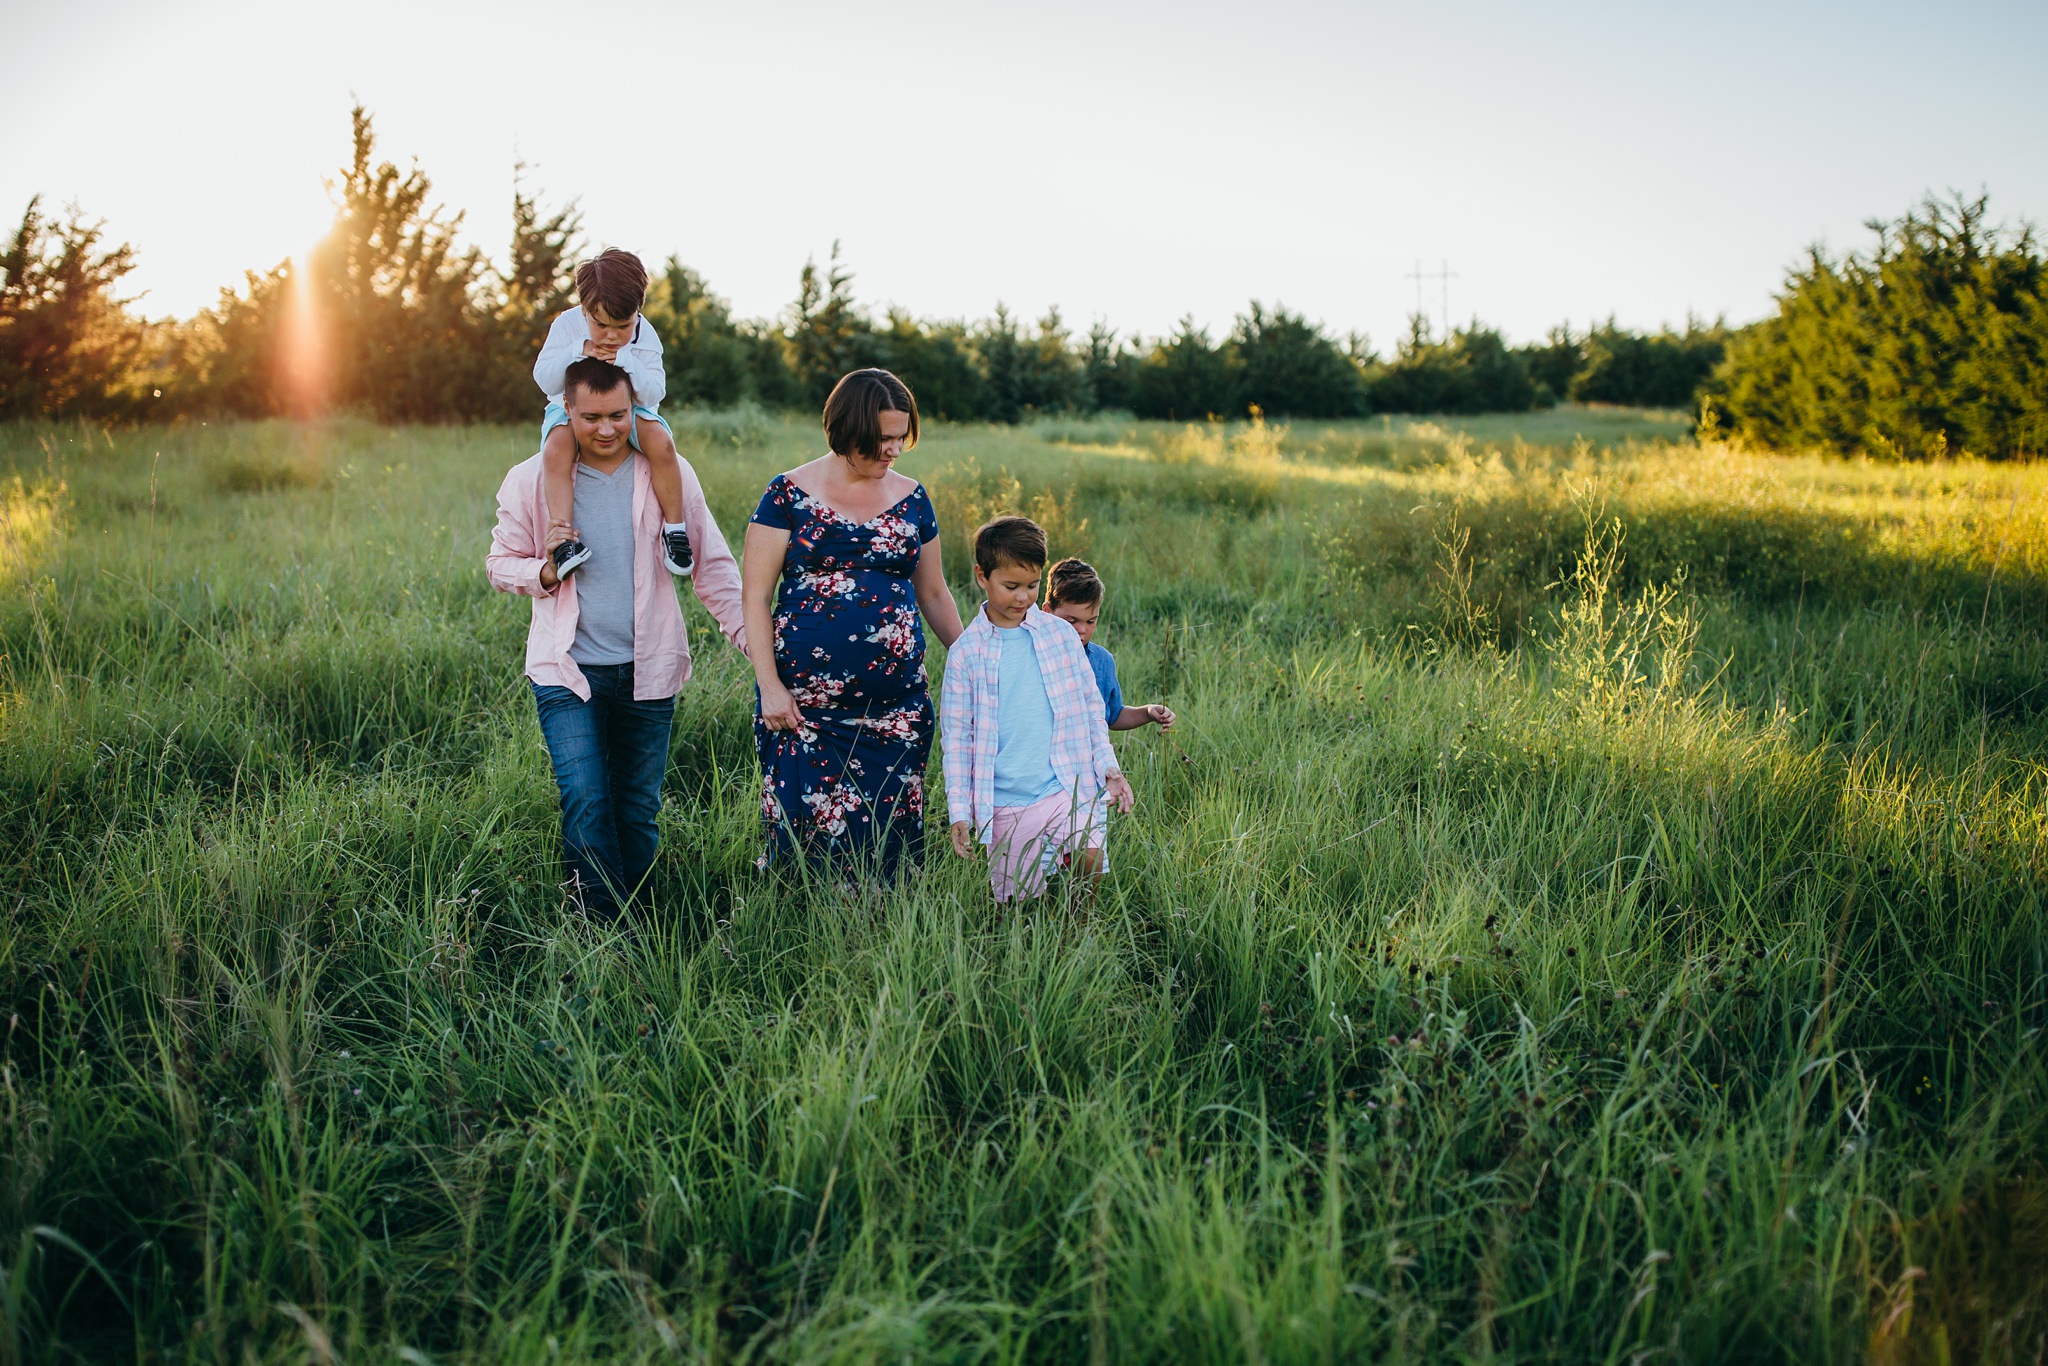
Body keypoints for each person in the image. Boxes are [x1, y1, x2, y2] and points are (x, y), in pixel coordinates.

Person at [486, 356, 747, 924]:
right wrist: (545, 573)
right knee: (585, 801)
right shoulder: (533, 479)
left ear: (637, 410)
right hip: (567, 671)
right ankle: (599, 934)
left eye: (618, 416)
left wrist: (759, 645)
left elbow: (714, 569)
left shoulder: (667, 472)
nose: (606, 430)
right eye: (591, 418)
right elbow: (499, 563)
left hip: (648, 670)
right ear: (566, 413)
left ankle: (641, 922)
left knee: (636, 809)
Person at [743, 368, 964, 881]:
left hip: (895, 709)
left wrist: (977, 655)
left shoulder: (913, 498)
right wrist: (769, 687)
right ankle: (803, 930)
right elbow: (754, 597)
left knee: (889, 848)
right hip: (801, 710)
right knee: (801, 841)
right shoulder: (787, 495)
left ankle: (885, 938)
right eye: (882, 439)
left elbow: (933, 592)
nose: (893, 451)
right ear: (847, 431)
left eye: (900, 438)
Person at [942, 517, 1135, 903]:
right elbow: (957, 739)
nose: (1022, 598)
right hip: (1007, 799)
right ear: (982, 577)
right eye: (1010, 586)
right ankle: (1023, 950)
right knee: (1016, 900)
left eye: (1032, 586)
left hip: (1065, 783)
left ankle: (1079, 931)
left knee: (1090, 860)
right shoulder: (967, 653)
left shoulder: (1058, 635)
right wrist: (959, 811)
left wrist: (1109, 770)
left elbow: (1090, 710)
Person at [532, 248, 694, 582]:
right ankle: (563, 543)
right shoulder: (566, 325)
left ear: (638, 312)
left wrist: (627, 359)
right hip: (570, 409)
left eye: (622, 326)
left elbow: (654, 393)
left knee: (662, 443)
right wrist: (578, 351)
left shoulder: (645, 335)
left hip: (629, 410)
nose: (610, 335)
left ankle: (675, 530)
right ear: (584, 309)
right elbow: (545, 380)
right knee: (555, 449)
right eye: (601, 325)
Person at [1042, 557, 1176, 735]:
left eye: (1091, 621)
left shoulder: (1102, 661)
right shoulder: (1032, 655)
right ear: (1047, 612)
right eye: (1071, 621)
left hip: (1087, 759)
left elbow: (1112, 715)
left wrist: (1148, 712)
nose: (1081, 630)